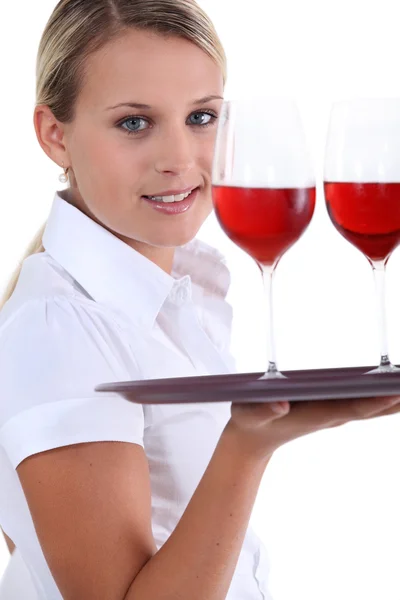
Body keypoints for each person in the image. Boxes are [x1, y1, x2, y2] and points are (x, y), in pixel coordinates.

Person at [0, 0, 400, 598]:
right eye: (134, 122)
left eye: (201, 117)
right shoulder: (59, 326)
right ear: (55, 135)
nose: (179, 161)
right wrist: (250, 442)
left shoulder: (180, 293)